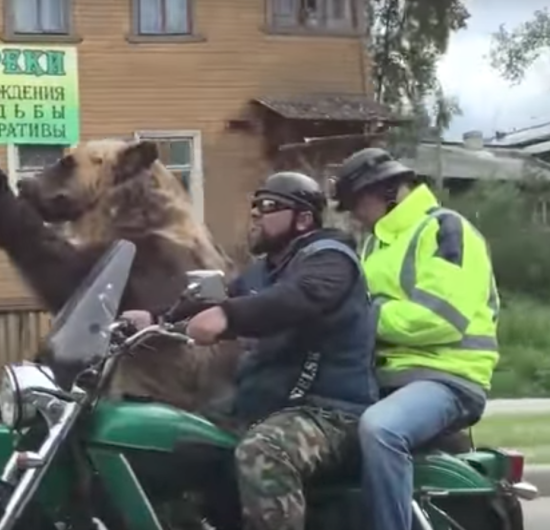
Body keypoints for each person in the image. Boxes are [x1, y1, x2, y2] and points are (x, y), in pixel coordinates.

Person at [124, 172, 378, 530]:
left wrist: (227, 317)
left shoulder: (330, 260)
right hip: (267, 405)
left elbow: (296, 299)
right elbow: (215, 299)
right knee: (177, 438)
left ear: (303, 219)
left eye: (270, 206)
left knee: (264, 452)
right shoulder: (264, 271)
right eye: (255, 206)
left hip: (329, 412)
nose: (256, 214)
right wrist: (155, 317)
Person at [331, 147, 499, 530]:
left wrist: (361, 321)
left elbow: (443, 317)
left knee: (381, 428)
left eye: (357, 201)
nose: (354, 213)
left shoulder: (444, 229)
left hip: (445, 379)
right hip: (382, 378)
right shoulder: (375, 244)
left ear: (388, 191)